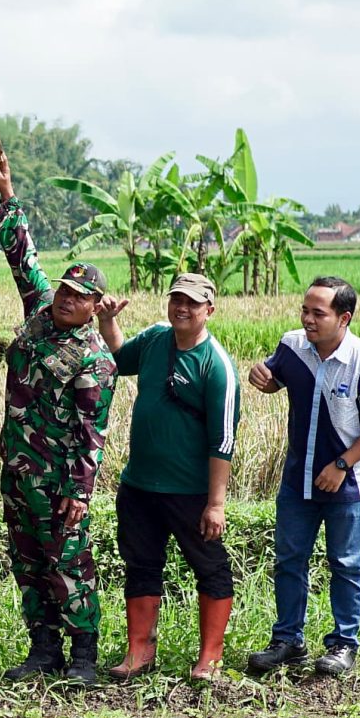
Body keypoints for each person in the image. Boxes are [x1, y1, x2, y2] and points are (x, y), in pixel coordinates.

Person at [0, 164, 119, 686]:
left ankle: (83, 655)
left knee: (69, 566)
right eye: (65, 289)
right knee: (27, 563)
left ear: (93, 306)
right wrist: (8, 195)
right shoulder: (40, 312)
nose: (66, 298)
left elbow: (93, 433)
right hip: (18, 471)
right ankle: (43, 649)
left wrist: (80, 493)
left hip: (58, 481)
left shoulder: (94, 360)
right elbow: (23, 258)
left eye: (79, 296)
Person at [244, 276, 360, 679]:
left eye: (319, 313)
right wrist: (260, 378)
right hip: (298, 479)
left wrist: (342, 465)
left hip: (347, 485)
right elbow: (273, 378)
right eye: (305, 310)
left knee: (346, 563)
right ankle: (288, 641)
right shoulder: (292, 346)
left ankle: (344, 645)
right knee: (289, 560)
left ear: (343, 318)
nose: (308, 319)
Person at [98, 272, 240, 683]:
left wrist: (216, 504)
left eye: (193, 303)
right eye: (177, 298)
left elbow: (222, 441)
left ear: (208, 310)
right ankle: (139, 651)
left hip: (190, 491)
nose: (182, 307)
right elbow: (121, 359)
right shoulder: (157, 338)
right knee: (141, 564)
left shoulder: (217, 367)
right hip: (140, 484)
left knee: (209, 567)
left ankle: (210, 657)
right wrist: (108, 322)